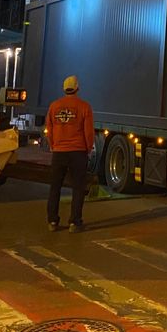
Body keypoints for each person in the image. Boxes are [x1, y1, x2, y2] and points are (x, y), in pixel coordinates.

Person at [46, 75, 94, 232]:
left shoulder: (54, 106)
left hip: (59, 152)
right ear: (77, 88)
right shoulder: (84, 107)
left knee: (55, 187)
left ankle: (52, 221)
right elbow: (88, 132)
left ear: (64, 88)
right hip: (78, 152)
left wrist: (53, 146)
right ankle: (75, 222)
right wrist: (88, 148)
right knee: (78, 187)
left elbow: (49, 129)